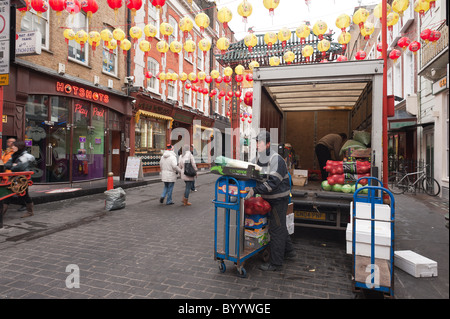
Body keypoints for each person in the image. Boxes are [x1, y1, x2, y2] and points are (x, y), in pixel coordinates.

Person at [245, 131, 295, 271]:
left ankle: (276, 263)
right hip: (268, 199)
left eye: (260, 143)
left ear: (268, 144)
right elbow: (251, 173)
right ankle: (290, 252)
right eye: (256, 142)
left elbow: (273, 182)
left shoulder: (276, 159)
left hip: (279, 199)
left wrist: (255, 191)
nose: (257, 145)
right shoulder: (257, 159)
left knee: (276, 229)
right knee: (279, 226)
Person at [3, 141, 36, 218]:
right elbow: (6, 165)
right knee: (19, 195)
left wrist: (12, 166)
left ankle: (30, 212)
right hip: (15, 179)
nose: (12, 147)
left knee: (23, 195)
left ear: (19, 147)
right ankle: (30, 211)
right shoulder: (14, 155)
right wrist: (12, 165)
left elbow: (18, 167)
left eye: (14, 146)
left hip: (22, 179)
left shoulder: (26, 156)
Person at [2, 137, 26, 212]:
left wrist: (11, 165)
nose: (10, 144)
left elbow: (17, 165)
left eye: (12, 142)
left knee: (18, 190)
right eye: (9, 142)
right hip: (6, 173)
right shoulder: (6, 152)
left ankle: (25, 204)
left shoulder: (16, 153)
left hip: (13, 174)